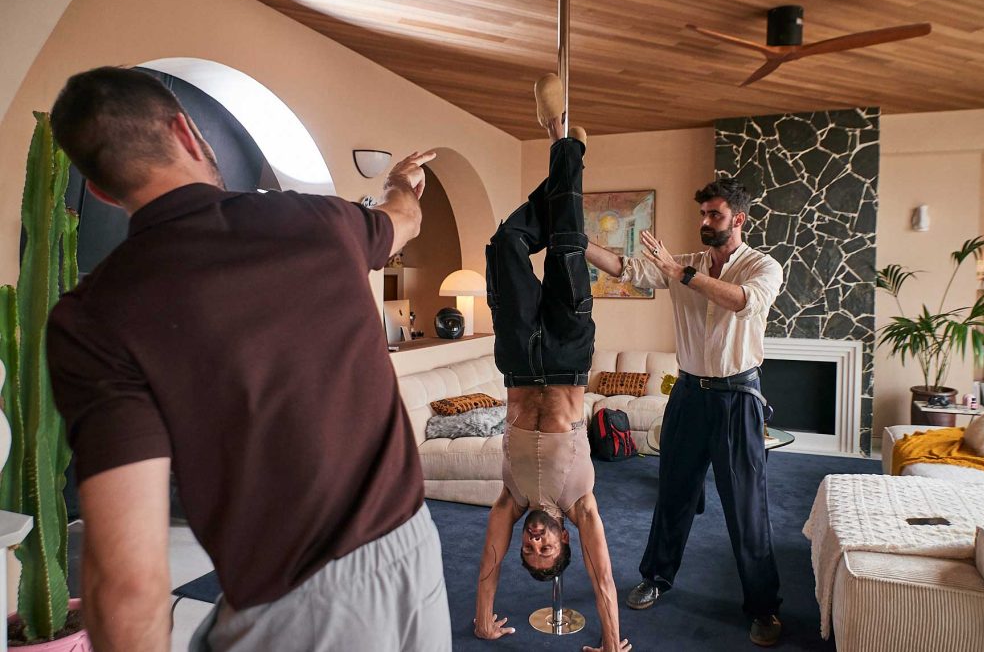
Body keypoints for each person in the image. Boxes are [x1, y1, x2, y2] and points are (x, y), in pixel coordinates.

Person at [45, 66, 450, 651]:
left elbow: (127, 583)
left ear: (103, 190)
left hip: (301, 608)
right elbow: (404, 220)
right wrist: (401, 183)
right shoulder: (322, 223)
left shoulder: (93, 318)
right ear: (188, 134)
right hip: (415, 554)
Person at [586, 178, 785, 647]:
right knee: (673, 493)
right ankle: (656, 577)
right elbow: (624, 268)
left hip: (738, 397)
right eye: (702, 215)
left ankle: (763, 607)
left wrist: (682, 274)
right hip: (690, 395)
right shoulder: (685, 264)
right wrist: (577, 243)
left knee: (745, 507)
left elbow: (742, 302)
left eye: (714, 215)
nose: (705, 223)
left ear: (738, 219)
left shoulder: (763, 266)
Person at [472, 74, 629, 652]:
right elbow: (604, 576)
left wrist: (484, 619)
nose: (536, 542)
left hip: (516, 363)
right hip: (566, 357)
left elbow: (486, 564)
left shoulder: (509, 499)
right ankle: (563, 138)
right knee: (566, 245)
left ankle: (567, 149)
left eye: (529, 549)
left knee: (502, 246)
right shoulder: (581, 505)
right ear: (564, 543)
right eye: (548, 549)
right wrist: (613, 643)